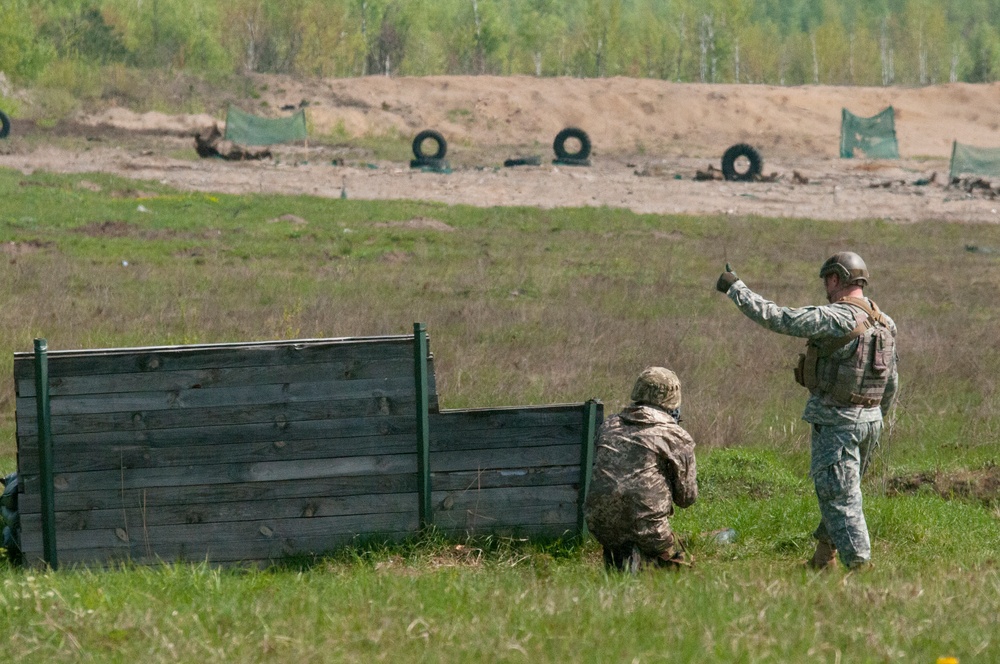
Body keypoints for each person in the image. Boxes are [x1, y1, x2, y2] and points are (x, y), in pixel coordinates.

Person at [715, 252, 898, 570]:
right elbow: (891, 380)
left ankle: (860, 568)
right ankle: (822, 559)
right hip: (871, 421)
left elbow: (778, 318)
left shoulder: (835, 317)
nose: (825, 288)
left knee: (840, 498)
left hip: (838, 421)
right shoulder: (885, 322)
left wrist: (736, 289)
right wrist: (877, 416)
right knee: (842, 488)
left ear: (835, 279)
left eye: (827, 281)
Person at [585, 367, 698, 572]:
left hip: (600, 523)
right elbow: (686, 498)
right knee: (681, 574)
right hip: (650, 531)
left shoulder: (609, 425)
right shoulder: (676, 435)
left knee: (617, 574)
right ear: (674, 399)